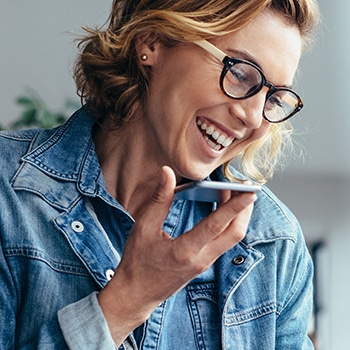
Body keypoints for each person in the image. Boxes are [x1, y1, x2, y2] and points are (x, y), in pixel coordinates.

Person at [0, 0, 320, 348]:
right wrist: (129, 300)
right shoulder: (9, 194)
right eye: (241, 73)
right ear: (152, 42)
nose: (254, 118)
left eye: (273, 99)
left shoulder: (273, 244)